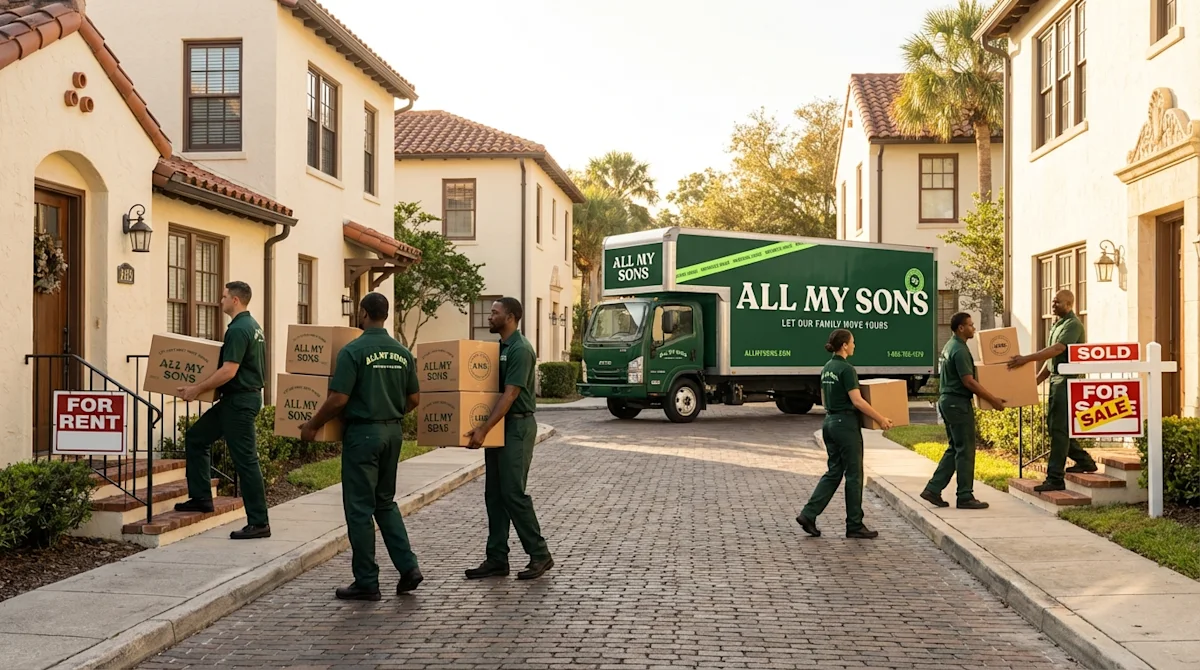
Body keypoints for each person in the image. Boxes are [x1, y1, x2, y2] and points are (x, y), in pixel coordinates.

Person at [299, 292, 423, 601]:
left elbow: (339, 398)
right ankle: (408, 567)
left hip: (363, 436)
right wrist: (389, 413)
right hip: (392, 434)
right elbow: (414, 400)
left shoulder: (352, 351)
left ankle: (367, 580)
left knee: (359, 509)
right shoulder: (402, 353)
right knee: (385, 503)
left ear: (364, 313)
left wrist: (313, 425)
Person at [463, 297, 553, 580]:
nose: (489, 317)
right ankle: (497, 559)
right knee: (494, 495)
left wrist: (484, 429)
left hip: (517, 427)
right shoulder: (498, 348)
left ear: (511, 317)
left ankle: (540, 555)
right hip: (501, 427)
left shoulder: (520, 349)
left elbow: (511, 394)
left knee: (513, 493)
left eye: (495, 313)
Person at [174, 281, 271, 540]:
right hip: (236, 400)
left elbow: (229, 370)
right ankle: (201, 497)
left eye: (224, 296)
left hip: (239, 402)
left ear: (236, 300)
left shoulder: (239, 329)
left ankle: (259, 522)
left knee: (246, 461)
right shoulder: (252, 326)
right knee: (196, 438)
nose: (221, 300)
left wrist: (197, 389)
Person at [796, 329, 894, 540]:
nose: (854, 346)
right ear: (844, 346)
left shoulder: (827, 368)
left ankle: (808, 514)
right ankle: (854, 525)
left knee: (834, 472)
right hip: (845, 425)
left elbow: (824, 398)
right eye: (852, 342)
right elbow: (857, 401)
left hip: (829, 422)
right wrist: (881, 418)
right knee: (854, 475)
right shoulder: (846, 369)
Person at [1007, 289, 1097, 491]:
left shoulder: (1073, 325)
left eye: (1057, 302)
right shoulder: (1056, 325)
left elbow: (1058, 350)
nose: (1053, 305)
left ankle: (1055, 478)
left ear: (1069, 304)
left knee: (1059, 429)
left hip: (1067, 382)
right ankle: (1085, 462)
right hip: (1056, 382)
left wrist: (1025, 359)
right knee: (1057, 427)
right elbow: (1050, 360)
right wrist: (1035, 382)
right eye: (1053, 302)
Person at [920, 312, 1006, 510]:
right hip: (957, 403)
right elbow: (969, 381)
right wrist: (993, 400)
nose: (973, 328)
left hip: (948, 401)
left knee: (955, 448)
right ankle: (965, 496)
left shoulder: (951, 346)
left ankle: (933, 489)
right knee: (966, 449)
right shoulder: (959, 350)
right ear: (961, 328)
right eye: (970, 325)